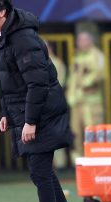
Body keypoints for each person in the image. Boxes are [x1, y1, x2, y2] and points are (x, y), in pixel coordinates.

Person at [0, 0, 75, 202]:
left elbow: (37, 83)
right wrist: (5, 113)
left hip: (42, 114)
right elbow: (10, 84)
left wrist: (30, 121)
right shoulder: (8, 37)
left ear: (3, 12)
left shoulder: (22, 39)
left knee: (40, 171)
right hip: (29, 113)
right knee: (41, 172)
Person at [67, 32, 105, 162]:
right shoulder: (77, 57)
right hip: (76, 102)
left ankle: (96, 159)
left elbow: (99, 75)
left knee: (92, 131)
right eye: (79, 40)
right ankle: (78, 162)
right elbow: (73, 78)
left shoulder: (97, 55)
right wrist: (70, 95)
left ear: (90, 41)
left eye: (83, 40)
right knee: (76, 132)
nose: (80, 43)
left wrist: (83, 86)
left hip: (91, 103)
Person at [44, 40, 68, 169]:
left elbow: (59, 83)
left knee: (55, 133)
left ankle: (60, 165)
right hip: (44, 104)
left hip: (53, 103)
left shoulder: (56, 63)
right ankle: (52, 164)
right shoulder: (41, 62)